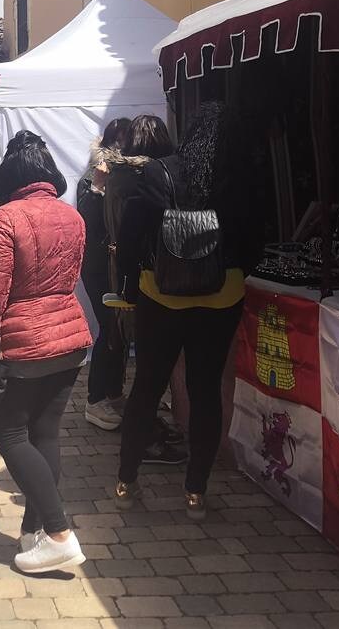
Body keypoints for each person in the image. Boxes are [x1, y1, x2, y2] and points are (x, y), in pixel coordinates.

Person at [112, 102, 263, 520]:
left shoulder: (161, 171)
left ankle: (126, 478)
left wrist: (128, 281)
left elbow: (131, 233)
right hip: (222, 296)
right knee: (205, 389)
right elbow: (257, 239)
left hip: (161, 294)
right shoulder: (240, 177)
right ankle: (196, 490)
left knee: (147, 386)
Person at [0, 130, 92, 574]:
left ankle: (59, 534)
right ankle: (33, 530)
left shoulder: (6, 220)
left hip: (25, 342)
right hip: (70, 336)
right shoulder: (72, 216)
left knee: (8, 433)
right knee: (46, 433)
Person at [101, 115, 187, 466]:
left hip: (125, 273)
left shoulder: (116, 175)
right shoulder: (146, 178)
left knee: (140, 363)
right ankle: (146, 440)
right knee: (151, 372)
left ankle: (147, 433)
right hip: (151, 278)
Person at [77, 118, 131, 431]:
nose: (123, 147)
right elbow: (86, 218)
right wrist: (98, 185)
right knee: (109, 328)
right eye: (119, 140)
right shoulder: (95, 174)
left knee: (121, 332)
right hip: (99, 265)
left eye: (128, 140)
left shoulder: (131, 173)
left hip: (123, 263)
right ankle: (95, 399)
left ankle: (113, 392)